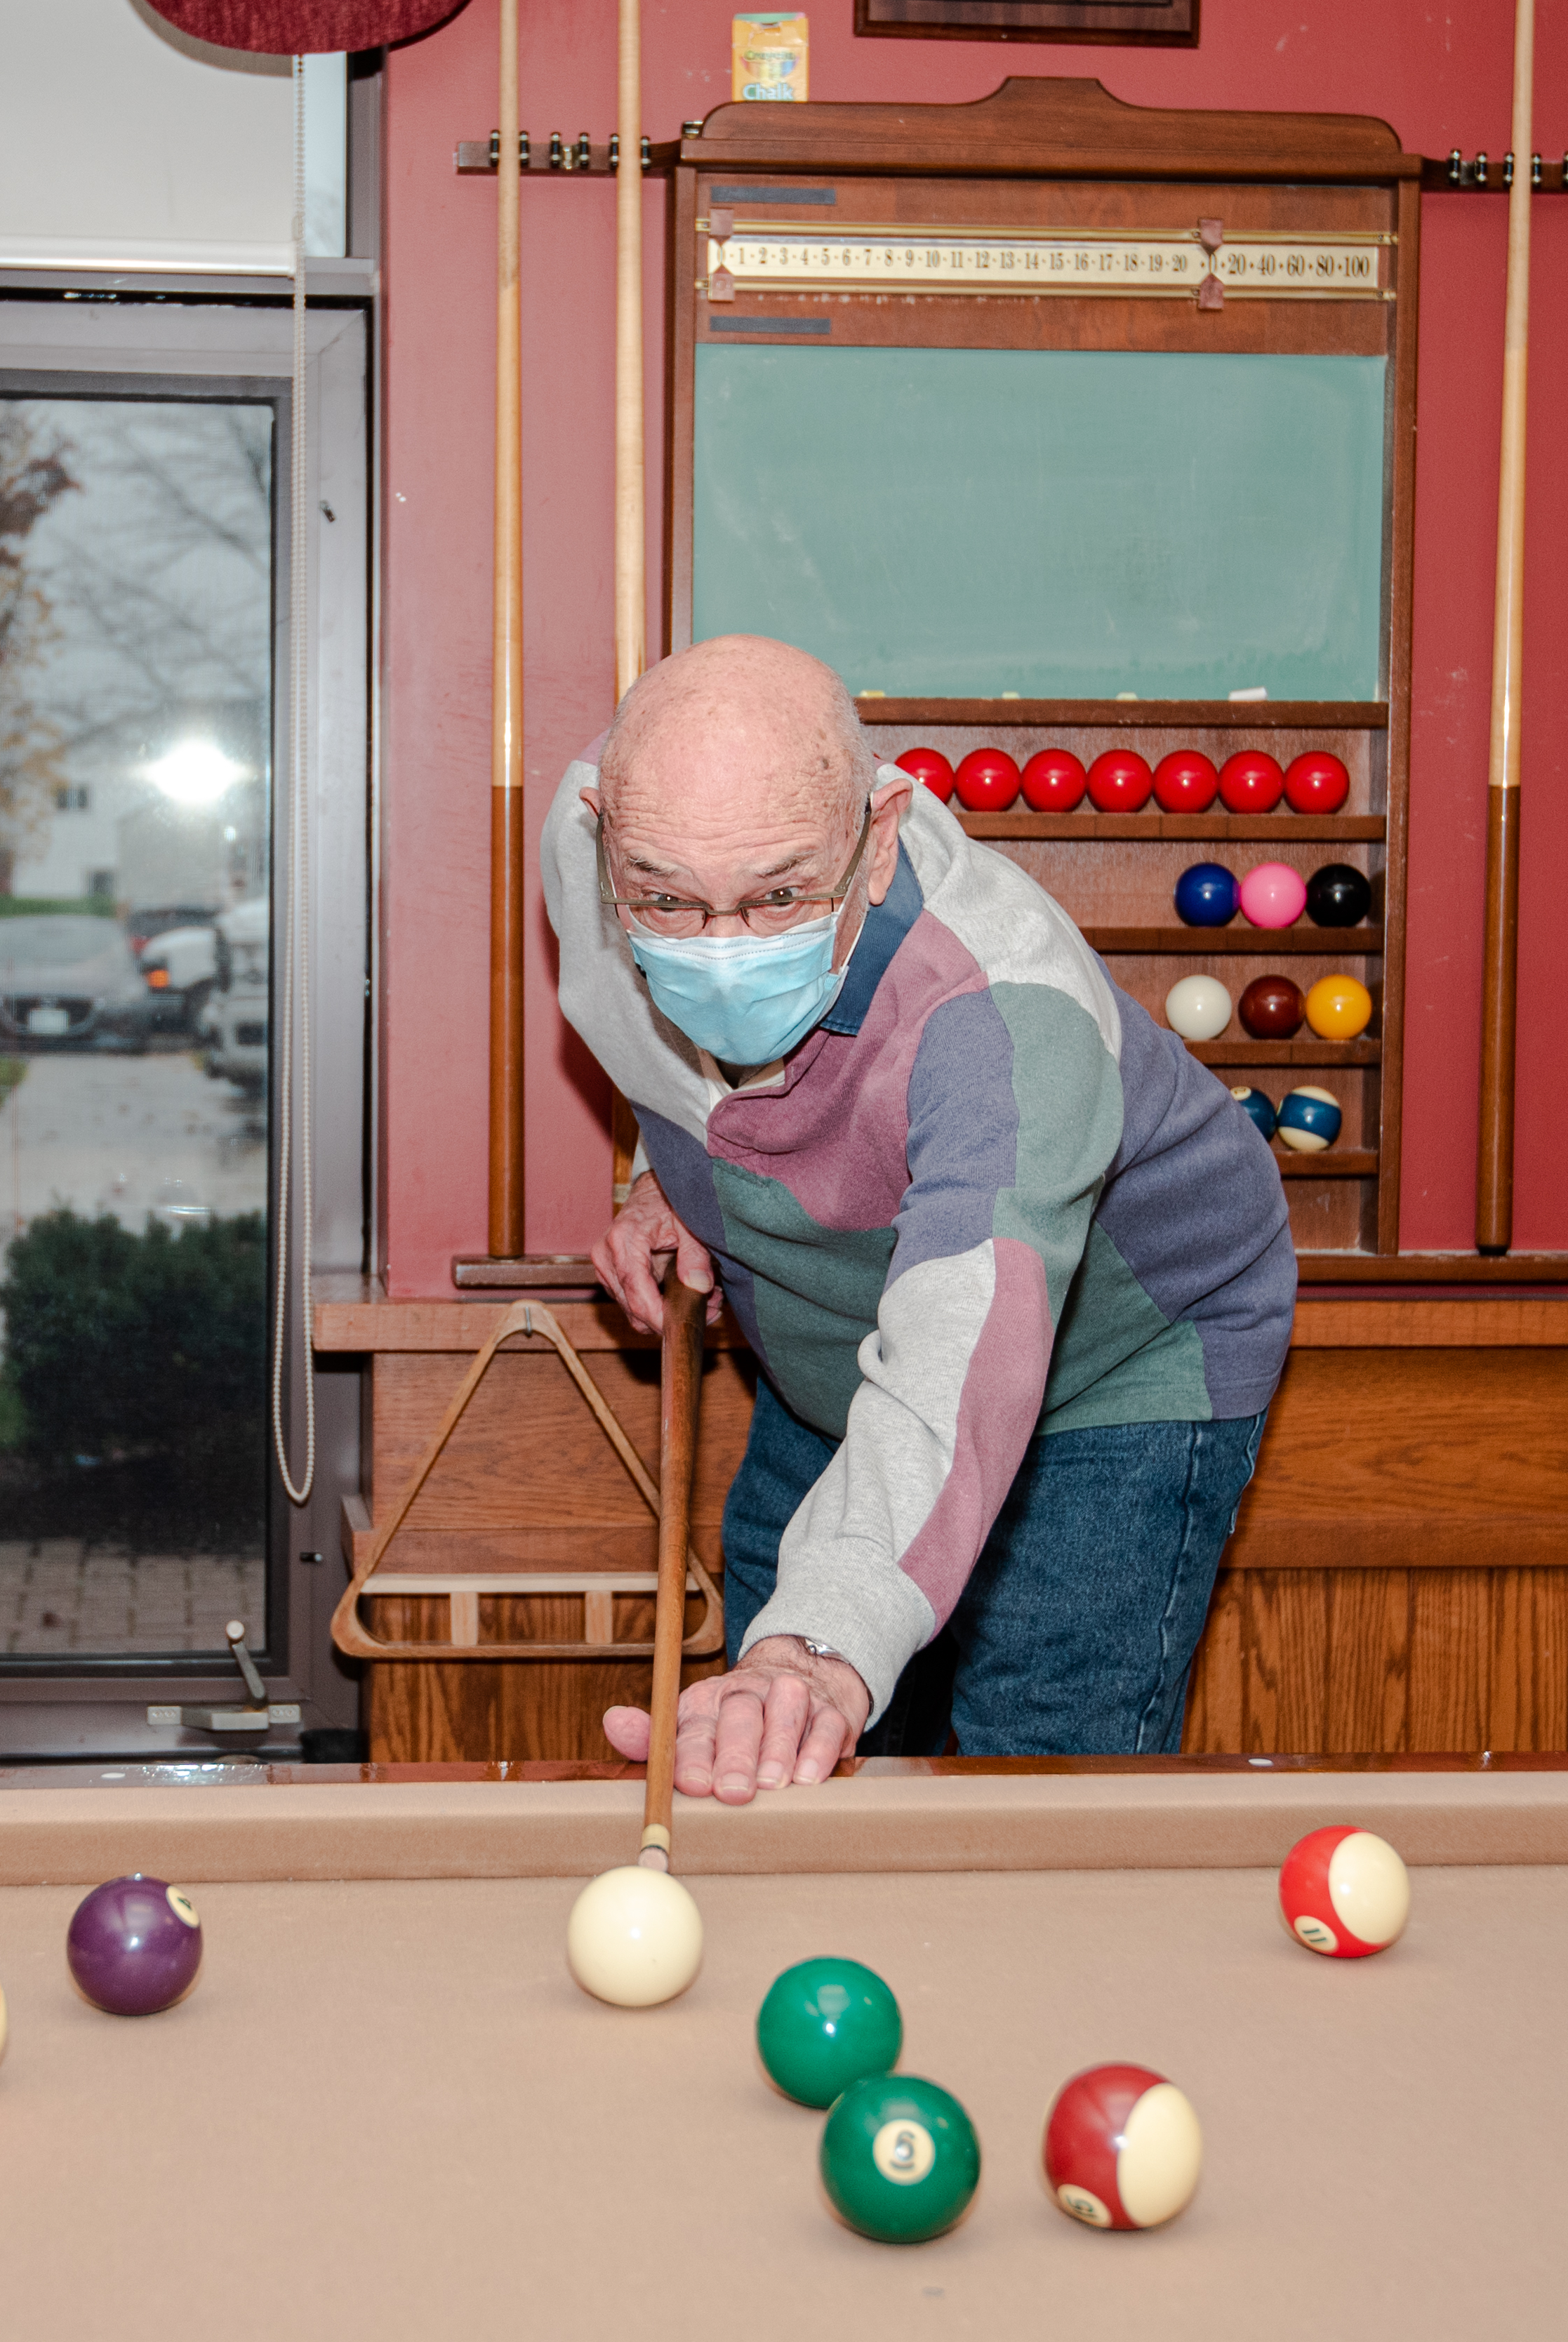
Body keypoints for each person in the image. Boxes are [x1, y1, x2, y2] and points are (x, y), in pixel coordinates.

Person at [550, 635, 1294, 1801]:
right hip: (831, 1344)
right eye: (666, 901)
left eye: (781, 895)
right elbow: (675, 1035)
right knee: (776, 1723)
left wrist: (822, 1651)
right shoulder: (598, 837)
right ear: (604, 836)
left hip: (1112, 1362)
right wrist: (672, 1169)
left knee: (1024, 1769)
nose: (722, 948)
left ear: (882, 831)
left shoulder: (1006, 1012)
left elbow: (961, 1339)